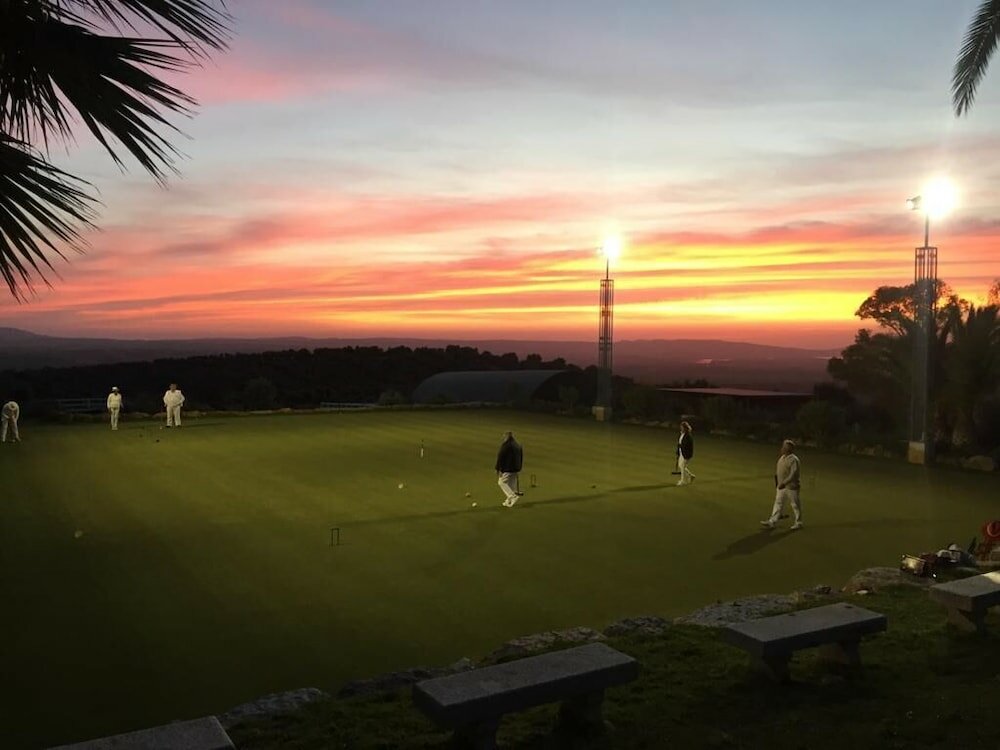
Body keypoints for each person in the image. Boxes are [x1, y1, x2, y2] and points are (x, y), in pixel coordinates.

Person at [761, 439, 803, 530]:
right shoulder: (782, 458)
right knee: (778, 503)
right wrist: (778, 483)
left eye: (784, 447)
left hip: (791, 487)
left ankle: (798, 522)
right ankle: (772, 521)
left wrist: (784, 483)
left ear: (788, 449)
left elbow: (793, 474)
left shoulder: (793, 460)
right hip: (781, 486)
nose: (781, 449)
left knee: (795, 504)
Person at [495, 431, 524, 507]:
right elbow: (521, 457)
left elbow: (500, 457)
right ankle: (509, 500)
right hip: (516, 468)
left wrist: (498, 469)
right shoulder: (518, 445)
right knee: (511, 485)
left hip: (508, 468)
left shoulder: (506, 445)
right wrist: (519, 467)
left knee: (501, 482)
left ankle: (513, 496)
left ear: (507, 437)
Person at [676, 421, 695, 485]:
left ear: (685, 428)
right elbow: (679, 443)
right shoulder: (682, 434)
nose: (681, 428)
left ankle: (683, 481)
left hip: (686, 454)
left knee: (682, 466)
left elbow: (687, 445)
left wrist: (686, 454)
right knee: (681, 466)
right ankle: (690, 476)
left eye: (682, 427)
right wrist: (678, 451)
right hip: (682, 452)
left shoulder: (688, 436)